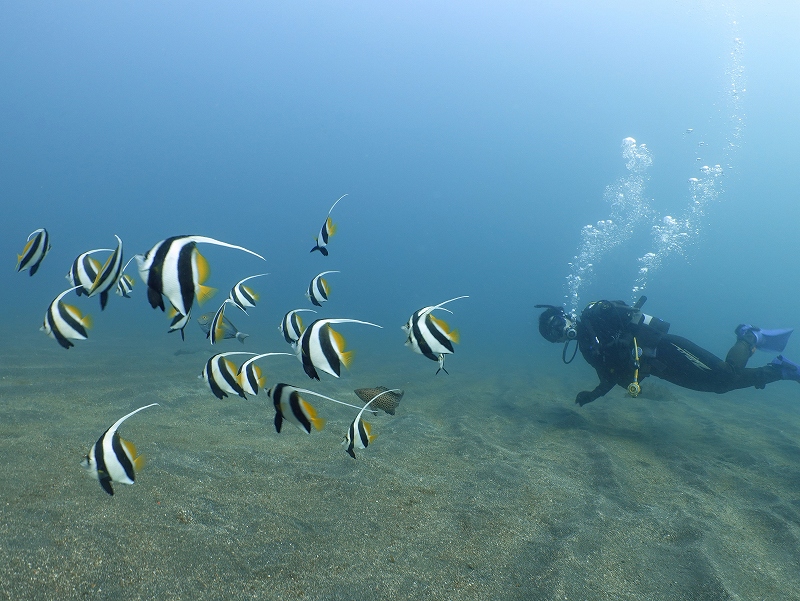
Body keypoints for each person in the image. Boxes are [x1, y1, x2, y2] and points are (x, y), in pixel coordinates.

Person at [535, 296, 800, 406]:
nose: (560, 333)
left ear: (565, 316)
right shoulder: (587, 349)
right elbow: (609, 374)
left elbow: (632, 313)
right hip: (658, 369)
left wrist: (626, 336)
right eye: (554, 336)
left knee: (727, 374)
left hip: (667, 346)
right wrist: (594, 394)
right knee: (719, 386)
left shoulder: (597, 313)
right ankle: (779, 370)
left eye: (558, 325)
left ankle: (749, 336)